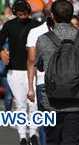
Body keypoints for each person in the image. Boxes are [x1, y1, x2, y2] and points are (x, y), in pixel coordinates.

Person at [33, 0, 79, 145]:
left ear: (52, 16)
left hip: (51, 101)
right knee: (71, 141)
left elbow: (39, 66)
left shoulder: (43, 39)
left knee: (52, 141)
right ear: (72, 16)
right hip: (78, 100)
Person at [0, 0, 39, 145]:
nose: (23, 16)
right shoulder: (9, 25)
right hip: (14, 71)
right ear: (15, 13)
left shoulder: (36, 25)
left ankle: (33, 134)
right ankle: (22, 137)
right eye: (20, 14)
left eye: (25, 13)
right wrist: (1, 52)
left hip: (33, 70)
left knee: (34, 105)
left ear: (28, 12)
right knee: (20, 105)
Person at [27, 9, 53, 145]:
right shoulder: (75, 33)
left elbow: (32, 61)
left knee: (45, 121)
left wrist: (30, 87)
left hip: (43, 81)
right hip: (68, 83)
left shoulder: (35, 32)